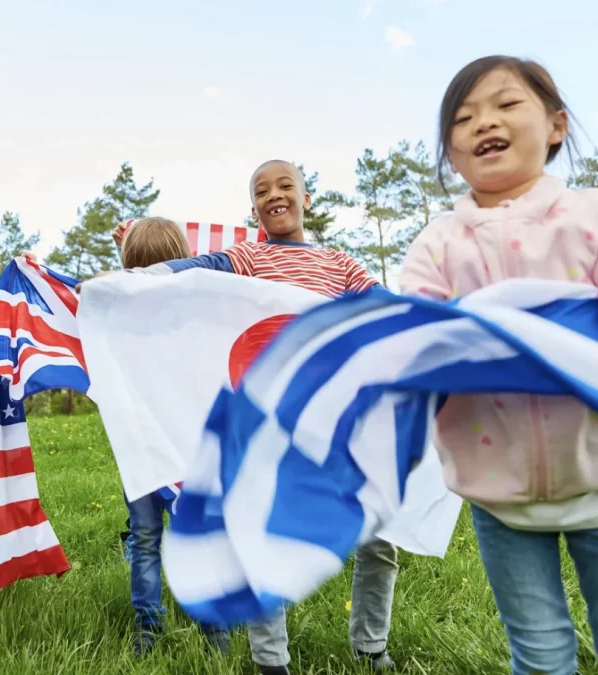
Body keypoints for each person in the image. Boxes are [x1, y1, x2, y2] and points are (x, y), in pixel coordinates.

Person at [399, 55, 598, 675]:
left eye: (505, 105)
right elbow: (411, 347)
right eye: (464, 117)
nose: (483, 123)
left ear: (555, 125)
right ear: (450, 153)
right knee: (540, 654)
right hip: (502, 501)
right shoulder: (438, 245)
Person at [111, 161, 398, 673]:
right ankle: (271, 660)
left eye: (285, 185)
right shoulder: (249, 257)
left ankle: (371, 647)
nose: (275, 195)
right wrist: (137, 273)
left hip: (336, 419)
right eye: (262, 191)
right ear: (253, 209)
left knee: (379, 535)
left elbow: (383, 308)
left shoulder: (339, 264)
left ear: (306, 198)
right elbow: (194, 273)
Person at [114, 217, 233, 658]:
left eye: (158, 269)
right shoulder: (121, 319)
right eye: (138, 271)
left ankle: (214, 633)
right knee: (144, 539)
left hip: (189, 453)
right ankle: (148, 628)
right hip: (140, 452)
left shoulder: (197, 316)